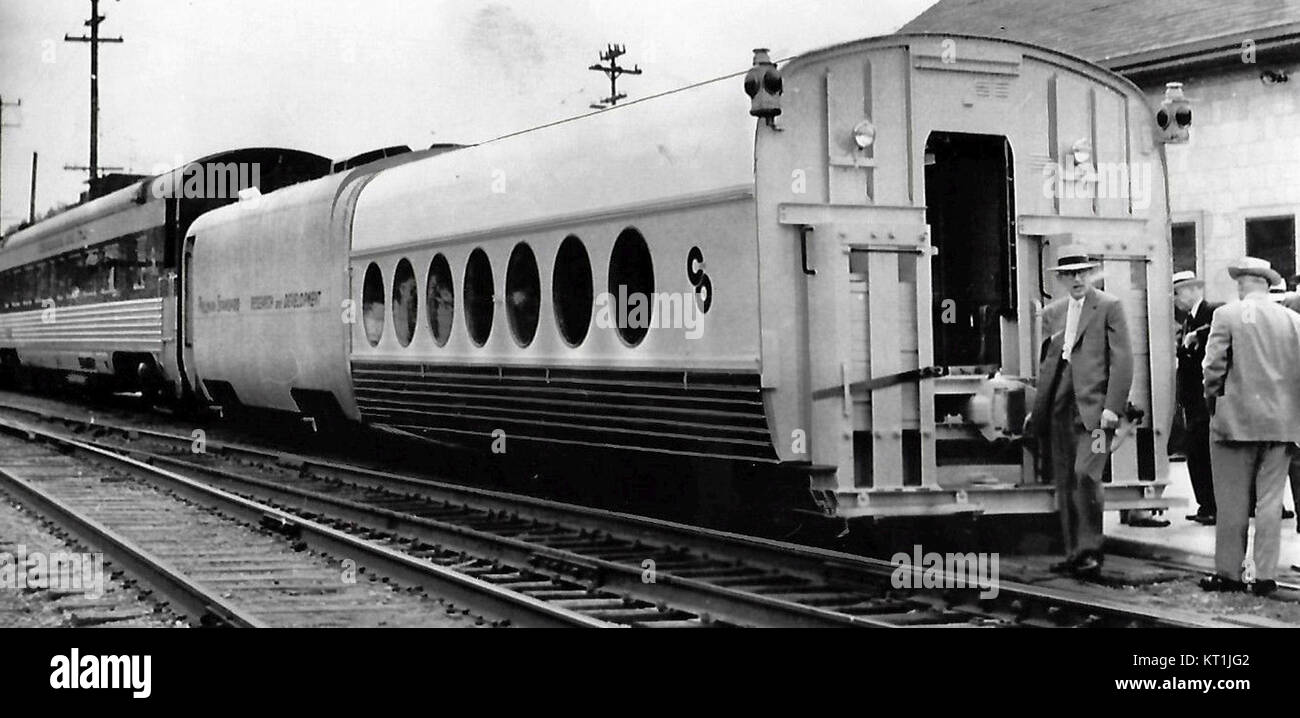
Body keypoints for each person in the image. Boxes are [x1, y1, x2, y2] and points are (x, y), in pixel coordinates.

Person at [1199, 257, 1300, 596]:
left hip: (1235, 423)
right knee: (1270, 502)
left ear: (1243, 283)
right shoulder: (1293, 321)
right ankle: (1264, 576)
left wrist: (1213, 403)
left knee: (1232, 501)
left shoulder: (1226, 315)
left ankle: (1230, 573)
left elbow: (1213, 368)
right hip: (1282, 424)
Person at [1030, 255, 1133, 578]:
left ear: (1091, 274)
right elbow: (1049, 362)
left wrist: (1113, 407)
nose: (1076, 279)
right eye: (1069, 274)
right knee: (1065, 480)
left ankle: (1091, 550)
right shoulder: (1056, 312)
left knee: (1087, 474)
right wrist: (1039, 410)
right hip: (1060, 409)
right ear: (1061, 279)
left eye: (1082, 273)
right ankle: (1074, 552)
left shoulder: (1109, 306)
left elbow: (1122, 359)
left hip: (1097, 416)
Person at [1172, 271, 1220, 524]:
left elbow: (1219, 329)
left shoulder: (1211, 311)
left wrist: (1197, 335)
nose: (1175, 299)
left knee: (1203, 451)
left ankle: (1212, 505)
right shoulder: (1188, 320)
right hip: (1192, 399)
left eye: (1177, 293)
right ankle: (1205, 504)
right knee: (1196, 452)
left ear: (1193, 290)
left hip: (1204, 397)